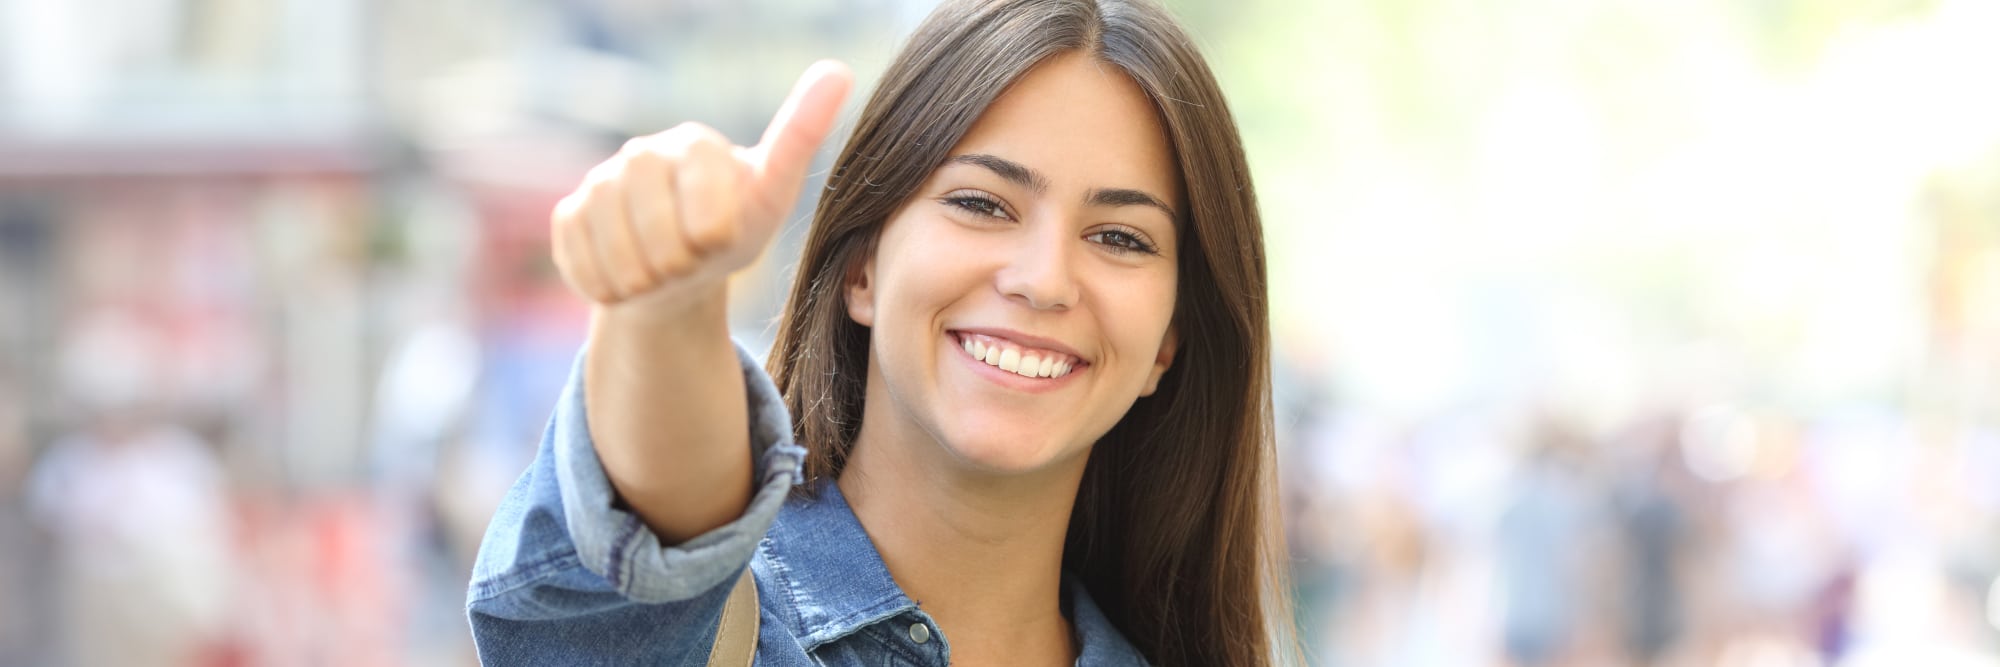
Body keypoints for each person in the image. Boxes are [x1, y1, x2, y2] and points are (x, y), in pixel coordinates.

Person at [466, 0, 1297, 664]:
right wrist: (668, 305)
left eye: (1121, 237)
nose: (1043, 279)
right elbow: (658, 546)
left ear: (1166, 343)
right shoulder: (726, 634)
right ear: (862, 267)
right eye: (981, 203)